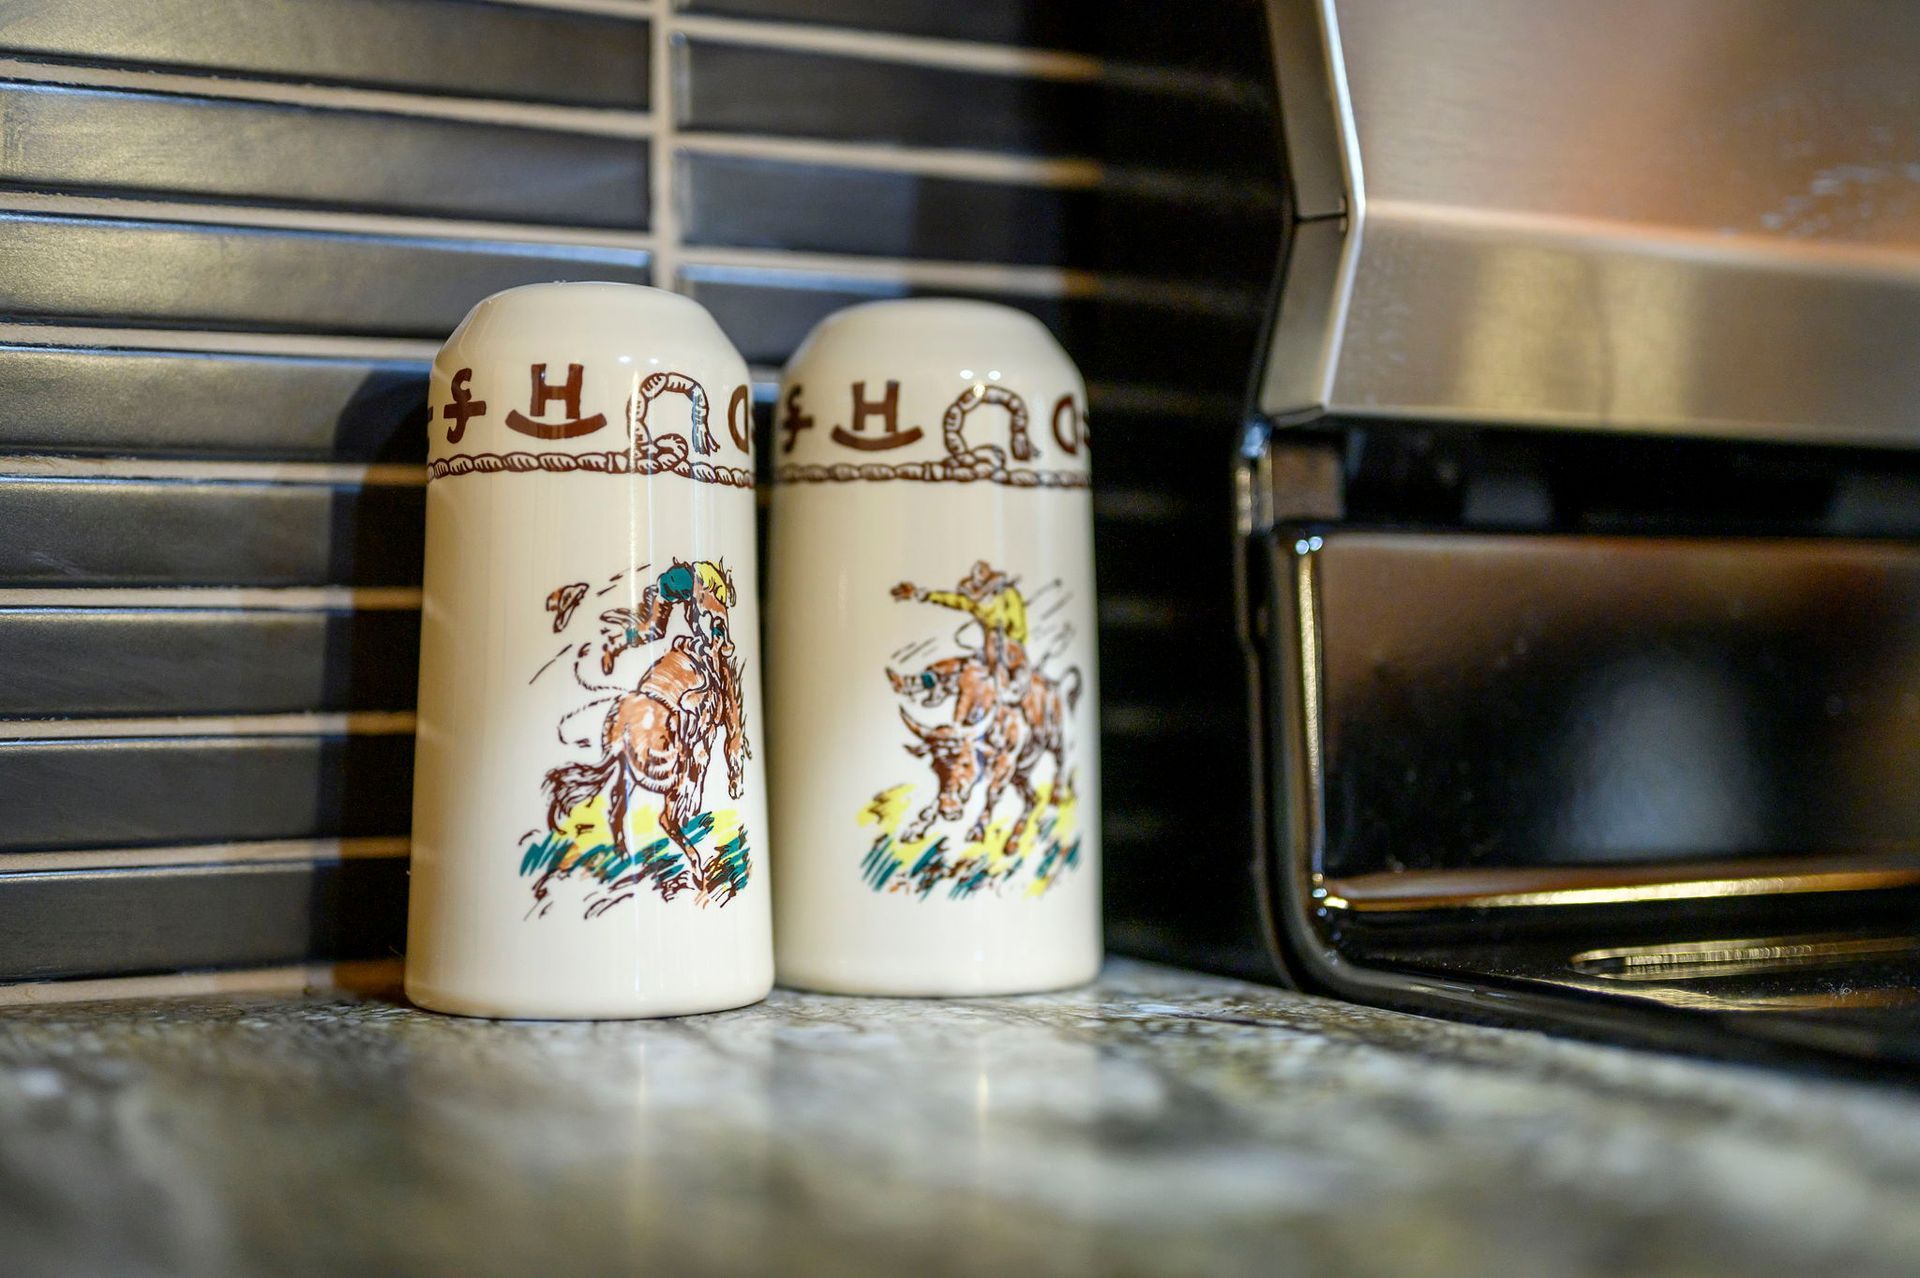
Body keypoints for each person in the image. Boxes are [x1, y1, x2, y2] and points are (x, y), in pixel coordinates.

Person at [892, 561, 1031, 704]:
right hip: (990, 647)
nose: (982, 601)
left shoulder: (1009, 596)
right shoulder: (974, 603)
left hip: (1010, 648)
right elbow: (952, 600)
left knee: (1009, 673)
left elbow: (1018, 625)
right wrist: (920, 594)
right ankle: (915, 683)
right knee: (955, 666)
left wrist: (1007, 643)